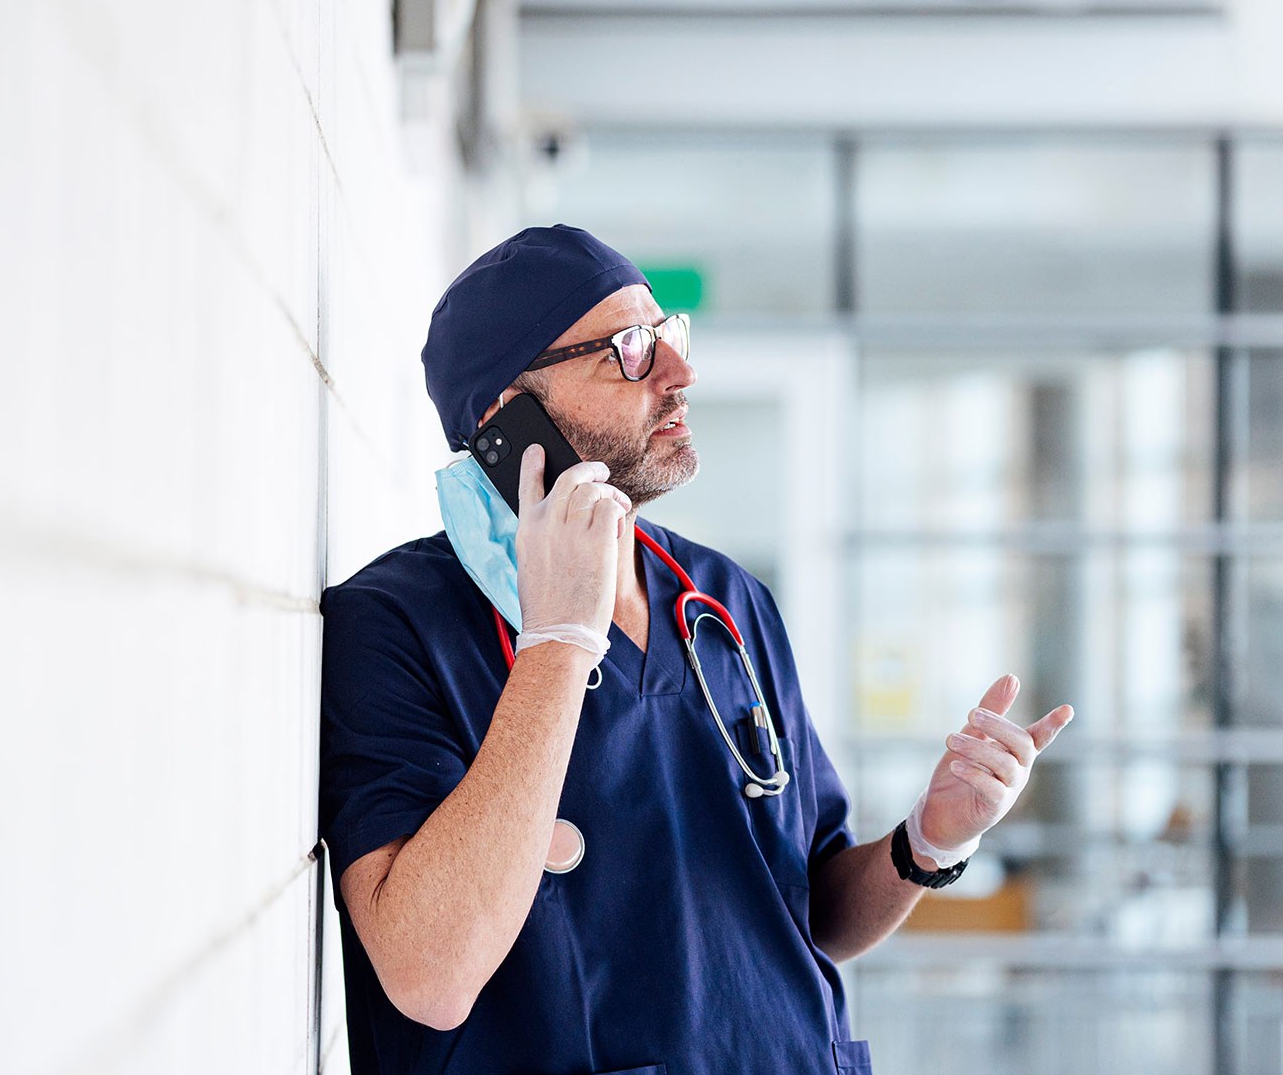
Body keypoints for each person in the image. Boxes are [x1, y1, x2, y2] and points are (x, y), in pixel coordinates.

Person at [315, 224, 1075, 1075]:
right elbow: (428, 975)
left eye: (666, 334)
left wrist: (928, 845)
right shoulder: (394, 626)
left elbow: (811, 908)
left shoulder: (724, 600)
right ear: (508, 418)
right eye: (629, 352)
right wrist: (558, 646)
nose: (680, 374)